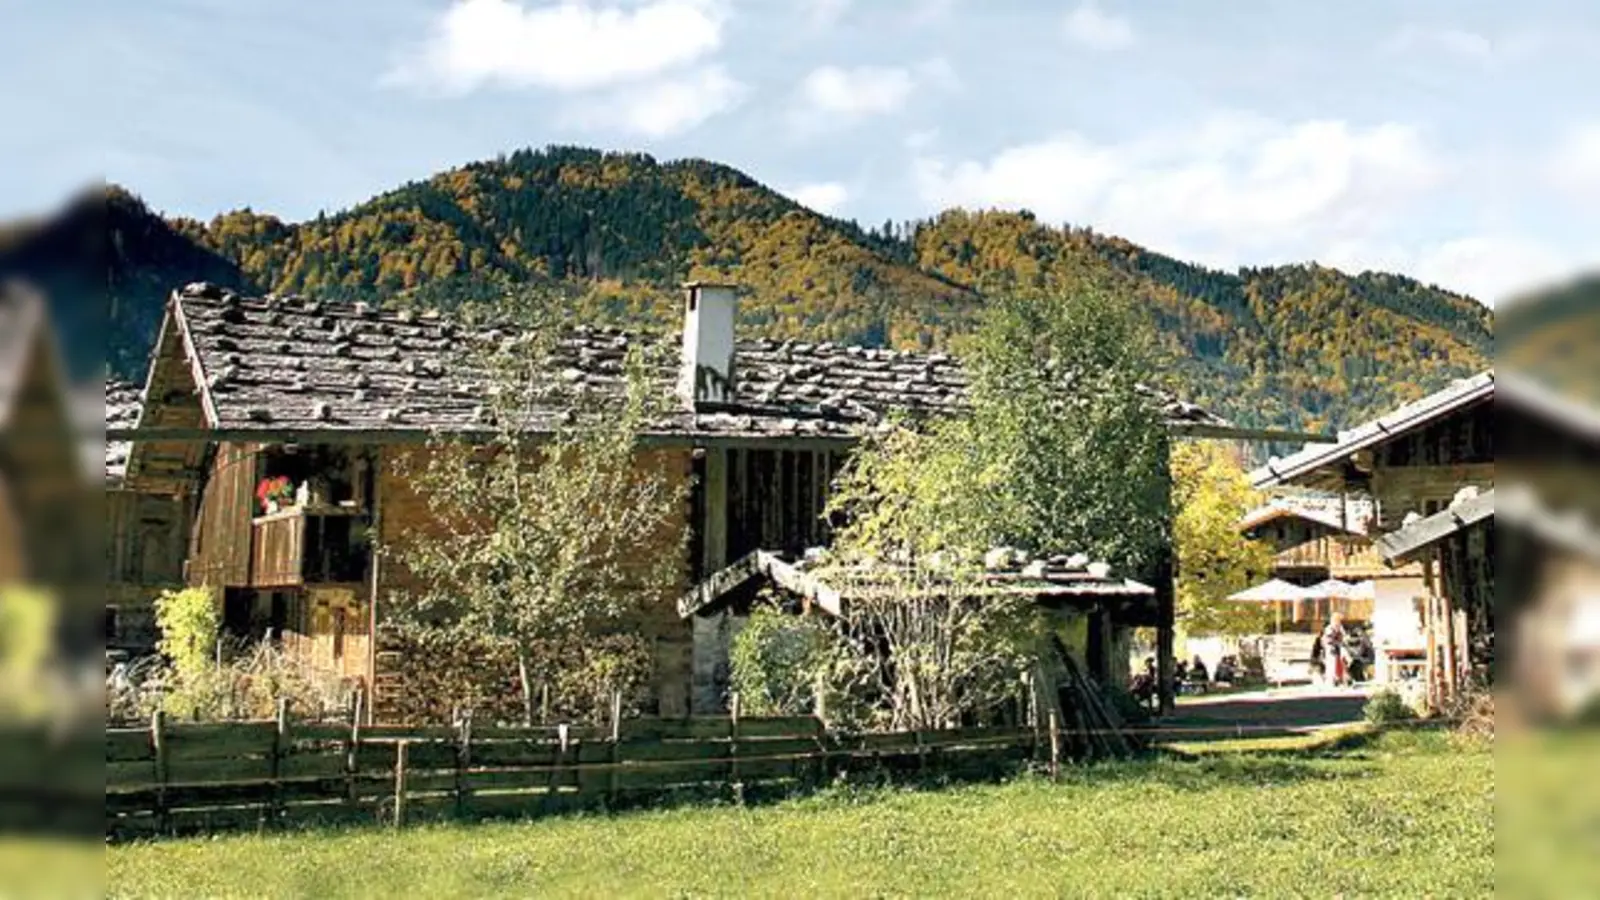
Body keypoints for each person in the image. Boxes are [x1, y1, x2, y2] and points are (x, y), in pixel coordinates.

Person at [1322, 613, 1348, 687]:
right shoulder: (1329, 628)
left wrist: (1342, 640)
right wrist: (1336, 641)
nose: (1338, 622)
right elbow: (1328, 639)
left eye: (1339, 620)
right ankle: (1330, 681)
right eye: (1337, 620)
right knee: (1331, 664)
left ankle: (1340, 679)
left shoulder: (1340, 627)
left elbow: (1344, 636)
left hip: (1338, 648)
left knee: (1339, 664)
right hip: (1330, 648)